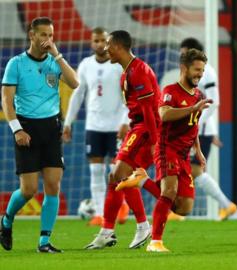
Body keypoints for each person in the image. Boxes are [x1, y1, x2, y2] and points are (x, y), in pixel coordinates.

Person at [115, 48, 213, 252]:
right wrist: (192, 109)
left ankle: (141, 180)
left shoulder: (198, 95)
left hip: (185, 153)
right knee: (170, 190)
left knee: (184, 207)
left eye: (202, 71)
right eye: (196, 70)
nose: (199, 74)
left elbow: (192, 126)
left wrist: (199, 150)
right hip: (166, 147)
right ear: (184, 68)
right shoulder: (170, 91)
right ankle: (155, 242)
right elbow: (164, 114)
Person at [0, 17, 79, 253]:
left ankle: (44, 241)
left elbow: (75, 83)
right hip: (27, 129)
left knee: (53, 185)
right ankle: (6, 220)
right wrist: (17, 129)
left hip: (51, 128)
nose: (47, 40)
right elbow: (6, 100)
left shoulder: (55, 62)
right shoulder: (16, 63)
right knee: (29, 190)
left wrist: (57, 55)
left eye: (51, 35)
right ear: (31, 35)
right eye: (43, 35)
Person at [85, 30, 161, 249]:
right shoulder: (126, 73)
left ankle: (142, 224)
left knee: (119, 175)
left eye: (109, 45)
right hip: (138, 127)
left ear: (118, 46)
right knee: (116, 176)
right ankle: (110, 230)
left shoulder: (139, 71)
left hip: (146, 129)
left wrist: (154, 140)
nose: (106, 48)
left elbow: (148, 109)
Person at [62, 27, 130, 226]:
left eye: (103, 40)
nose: (100, 44)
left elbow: (129, 96)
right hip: (93, 126)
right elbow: (78, 94)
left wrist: (126, 121)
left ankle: (123, 205)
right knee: (96, 171)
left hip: (116, 126)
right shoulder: (85, 65)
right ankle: (101, 213)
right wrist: (68, 122)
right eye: (96, 40)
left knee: (117, 171)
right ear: (91, 43)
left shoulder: (118, 65)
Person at [179, 38, 237, 220]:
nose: (181, 56)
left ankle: (225, 205)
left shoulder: (207, 73)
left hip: (200, 130)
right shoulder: (190, 73)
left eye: (184, 52)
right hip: (201, 129)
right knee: (187, 170)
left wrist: (196, 123)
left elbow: (214, 102)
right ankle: (226, 206)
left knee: (192, 170)